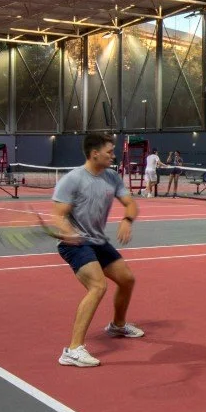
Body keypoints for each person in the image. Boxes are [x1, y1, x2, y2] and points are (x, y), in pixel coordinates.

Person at [48, 132, 142, 368]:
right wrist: (68, 232)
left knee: (127, 280)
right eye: (109, 152)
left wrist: (127, 220)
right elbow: (58, 216)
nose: (113, 155)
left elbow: (130, 203)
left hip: (98, 240)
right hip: (75, 244)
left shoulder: (112, 177)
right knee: (98, 286)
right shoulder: (73, 179)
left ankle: (117, 326)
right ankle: (72, 350)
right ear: (94, 154)